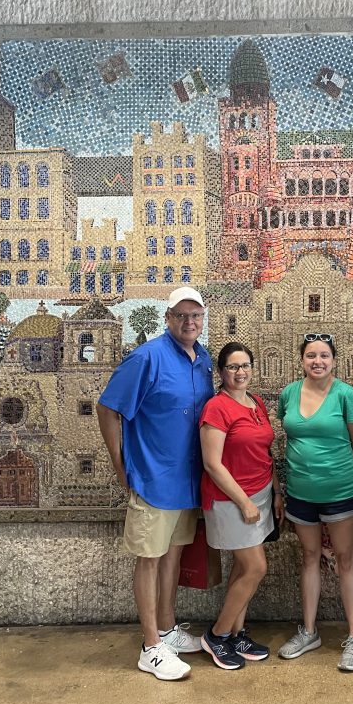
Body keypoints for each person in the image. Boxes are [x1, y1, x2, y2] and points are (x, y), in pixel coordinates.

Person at [96, 286, 213, 681]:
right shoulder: (147, 357)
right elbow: (108, 407)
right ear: (168, 318)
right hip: (152, 475)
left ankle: (166, 629)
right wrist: (119, 462)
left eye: (195, 316)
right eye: (181, 316)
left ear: (203, 319)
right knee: (149, 559)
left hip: (186, 480)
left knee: (173, 555)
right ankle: (150, 647)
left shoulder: (204, 360)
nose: (189, 322)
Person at [276, 334, 353, 671]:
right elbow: (287, 435)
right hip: (299, 492)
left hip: (339, 490)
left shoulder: (345, 394)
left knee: (345, 559)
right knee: (310, 557)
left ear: (333, 360)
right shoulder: (289, 394)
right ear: (301, 360)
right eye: (311, 355)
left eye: (324, 356)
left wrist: (349, 480)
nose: (318, 361)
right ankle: (309, 631)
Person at [198, 342, 284, 670]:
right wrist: (245, 502)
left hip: (260, 494)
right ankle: (217, 635)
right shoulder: (217, 408)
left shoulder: (256, 403)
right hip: (231, 499)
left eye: (245, 365)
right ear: (221, 372)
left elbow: (265, 453)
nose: (240, 372)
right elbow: (212, 464)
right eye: (233, 367)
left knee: (242, 567)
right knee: (255, 567)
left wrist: (275, 492)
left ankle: (237, 633)